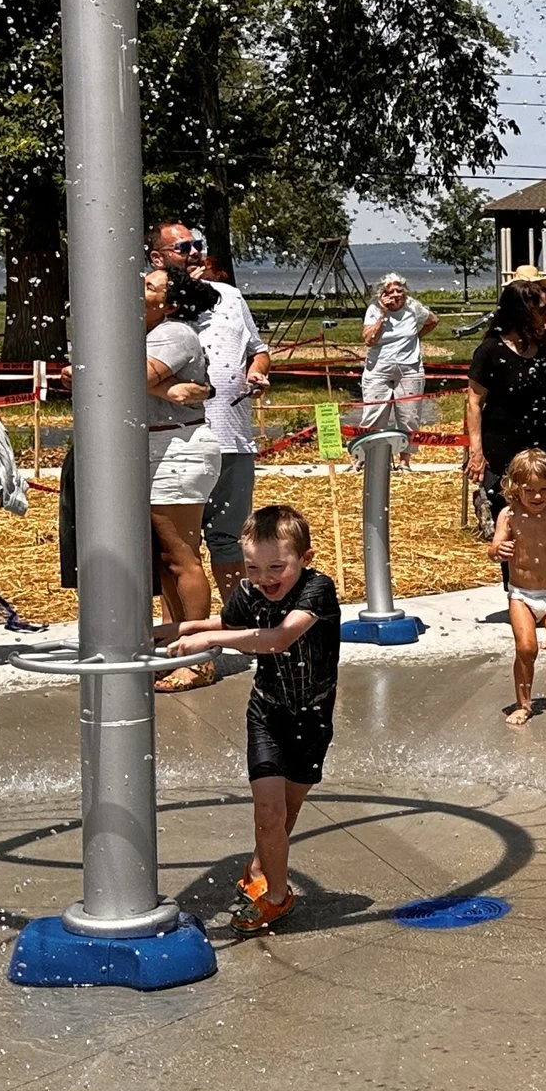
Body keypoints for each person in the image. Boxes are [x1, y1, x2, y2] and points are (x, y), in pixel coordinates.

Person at [155, 503, 341, 938]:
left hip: (313, 716)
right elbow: (227, 620)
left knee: (286, 812)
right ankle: (276, 896)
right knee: (269, 813)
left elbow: (278, 638)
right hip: (267, 712)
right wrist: (179, 629)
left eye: (277, 567)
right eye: (253, 568)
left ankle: (260, 867)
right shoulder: (251, 591)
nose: (264, 578)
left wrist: (212, 639)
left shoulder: (317, 589)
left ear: (305, 558)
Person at [179, 231, 271, 606]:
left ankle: (238, 618)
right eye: (183, 248)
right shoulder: (155, 302)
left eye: (197, 245)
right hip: (180, 441)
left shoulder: (230, 296)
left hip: (233, 437)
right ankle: (183, 630)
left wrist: (257, 372)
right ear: (157, 258)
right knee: (179, 545)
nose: (195, 253)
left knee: (229, 538)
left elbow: (258, 350)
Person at [144, 267, 224, 692]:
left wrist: (161, 387)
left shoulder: (172, 333)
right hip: (154, 446)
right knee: (164, 560)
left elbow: (129, 377)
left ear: (170, 304)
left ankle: (198, 657)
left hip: (177, 448)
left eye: (149, 285)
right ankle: (176, 647)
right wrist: (168, 388)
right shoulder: (142, 333)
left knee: (181, 556)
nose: (137, 286)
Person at [490, 446, 546, 726]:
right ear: (515, 487)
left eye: (544, 490)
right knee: (527, 648)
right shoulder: (508, 515)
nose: (537, 496)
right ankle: (523, 703)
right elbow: (494, 548)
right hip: (521, 594)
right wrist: (498, 550)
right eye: (529, 490)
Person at [463, 272, 546, 518]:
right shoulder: (490, 351)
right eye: (542, 310)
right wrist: (476, 452)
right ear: (523, 312)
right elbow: (474, 402)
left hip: (540, 441)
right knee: (505, 512)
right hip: (501, 444)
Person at [360, 273, 437, 459]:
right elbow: (369, 340)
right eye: (390, 292)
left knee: (409, 416)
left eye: (399, 290)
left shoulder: (413, 307)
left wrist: (417, 337)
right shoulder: (374, 309)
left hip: (410, 368)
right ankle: (365, 457)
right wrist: (383, 314)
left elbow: (433, 321)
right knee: (374, 414)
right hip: (378, 368)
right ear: (382, 294)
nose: (395, 295)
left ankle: (405, 459)